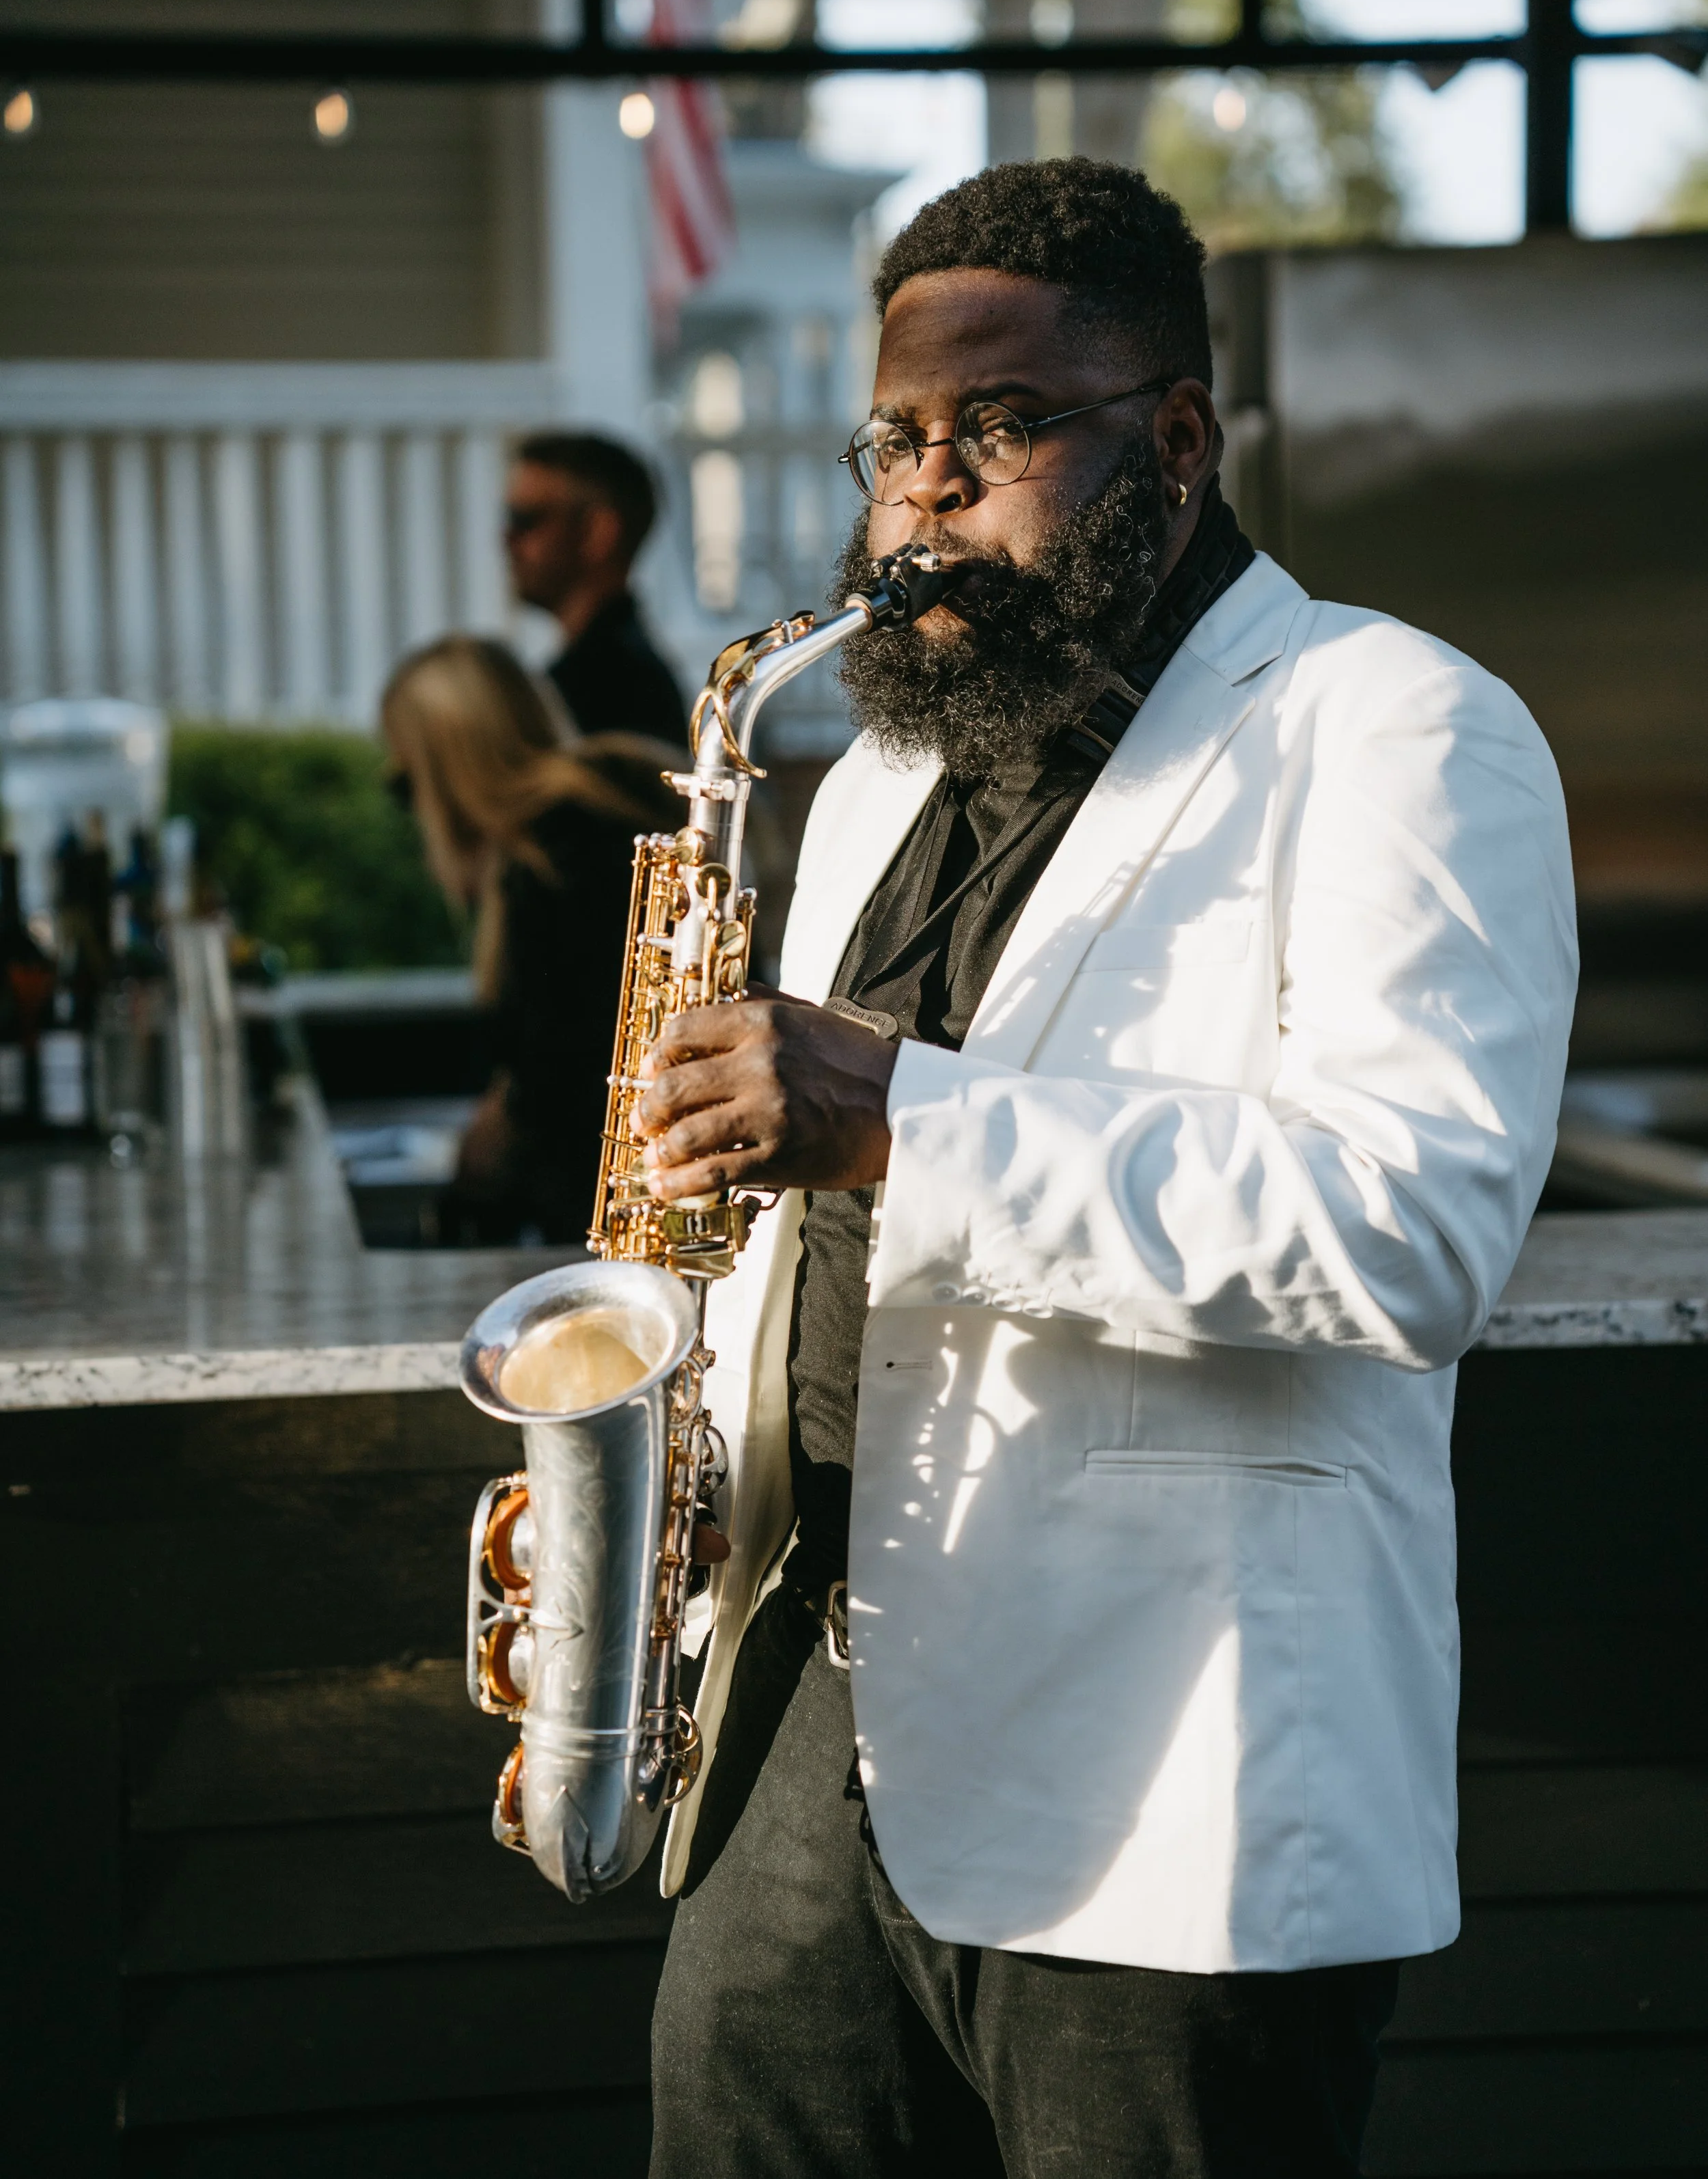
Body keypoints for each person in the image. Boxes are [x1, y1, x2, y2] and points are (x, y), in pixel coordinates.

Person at [633, 160, 1579, 2177]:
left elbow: (1405, 1233)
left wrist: (898, 1111)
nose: (925, 495)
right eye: (894, 438)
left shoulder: (1396, 726)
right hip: (797, 1733)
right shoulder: (879, 765)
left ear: (1172, 435)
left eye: (998, 429)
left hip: (1164, 1787)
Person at [380, 635, 678, 1243]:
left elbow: (567, 1068)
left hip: (610, 1212)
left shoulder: (553, 862)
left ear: (448, 767)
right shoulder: (611, 804)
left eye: (406, 783)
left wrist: (501, 1128)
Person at [504, 431, 691, 750]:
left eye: (526, 520)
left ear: (598, 533)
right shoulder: (624, 672)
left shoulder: (610, 688)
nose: (508, 539)